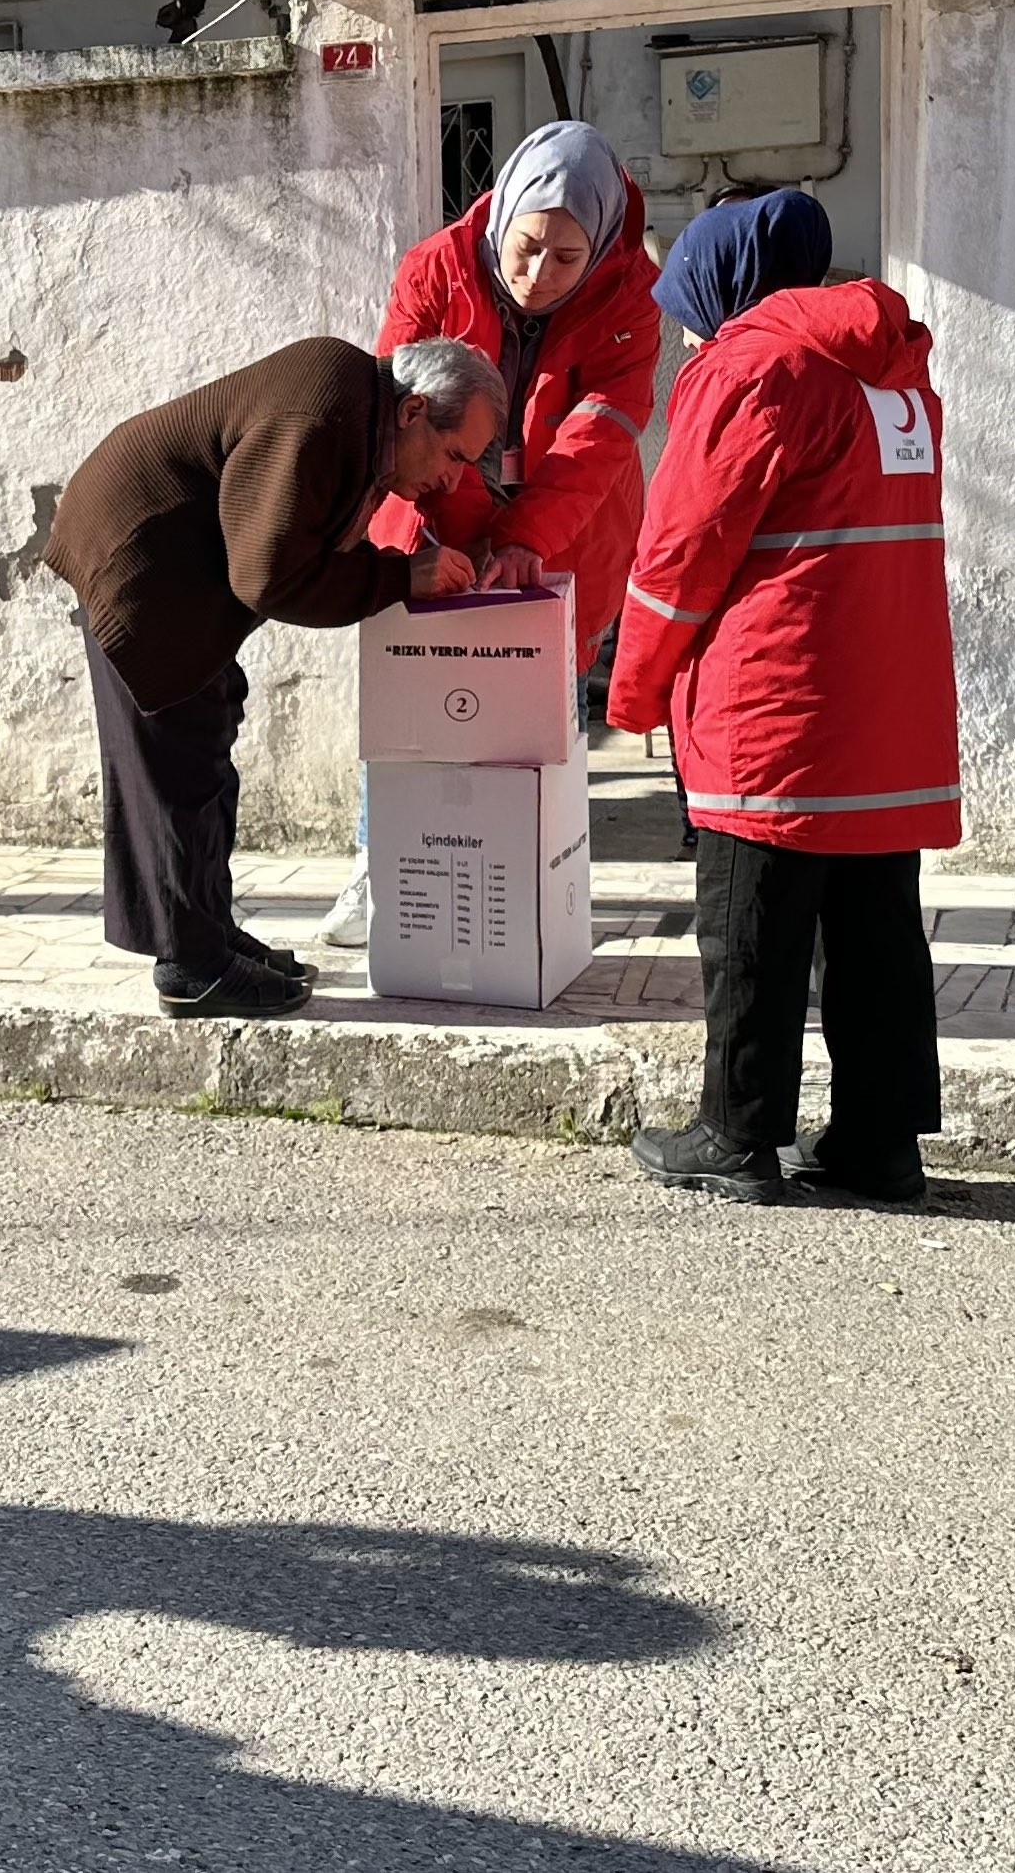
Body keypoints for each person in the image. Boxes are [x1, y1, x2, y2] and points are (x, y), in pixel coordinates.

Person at [603, 196, 959, 1207]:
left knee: (752, 925)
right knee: (878, 934)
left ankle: (738, 1133)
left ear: (725, 289)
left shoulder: (751, 368)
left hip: (776, 707)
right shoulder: (894, 377)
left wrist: (633, 693)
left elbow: (680, 551)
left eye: (686, 309)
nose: (682, 333)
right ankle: (879, 1145)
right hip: (886, 706)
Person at [48, 337, 506, 1018]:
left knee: (210, 736)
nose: (452, 479)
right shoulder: (326, 414)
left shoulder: (361, 413)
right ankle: (191, 967)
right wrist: (396, 577)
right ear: (413, 411)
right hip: (138, 565)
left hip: (182, 572)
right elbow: (268, 577)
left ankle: (207, 933)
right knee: (178, 763)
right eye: (453, 456)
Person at [323, 122, 663, 947]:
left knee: (539, 715)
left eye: (565, 259)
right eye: (526, 248)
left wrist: (526, 538)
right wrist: (472, 543)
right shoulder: (434, 267)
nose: (537, 275)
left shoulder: (630, 298)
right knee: (411, 708)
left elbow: (601, 435)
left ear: (603, 246)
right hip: (433, 514)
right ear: (501, 213)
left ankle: (543, 874)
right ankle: (383, 867)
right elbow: (408, 422)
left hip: (566, 532)